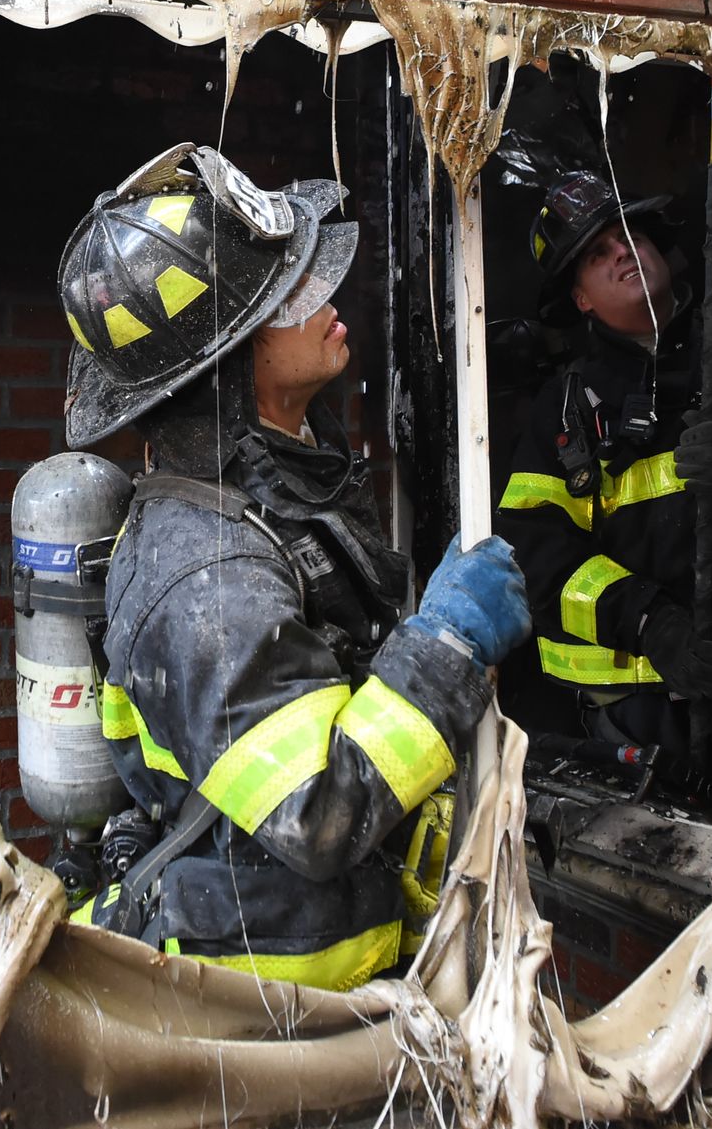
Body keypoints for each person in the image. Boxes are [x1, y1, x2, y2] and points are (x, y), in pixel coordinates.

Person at [56, 143, 530, 990]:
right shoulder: (205, 566)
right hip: (265, 1027)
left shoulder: (273, 491)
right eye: (290, 295)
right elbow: (316, 813)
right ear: (226, 363)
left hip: (335, 993)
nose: (327, 299)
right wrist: (447, 647)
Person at [495, 170, 712, 785]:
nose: (622, 253)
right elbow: (536, 560)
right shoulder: (566, 410)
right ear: (580, 300)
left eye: (631, 236)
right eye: (598, 254)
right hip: (637, 725)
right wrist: (649, 624)